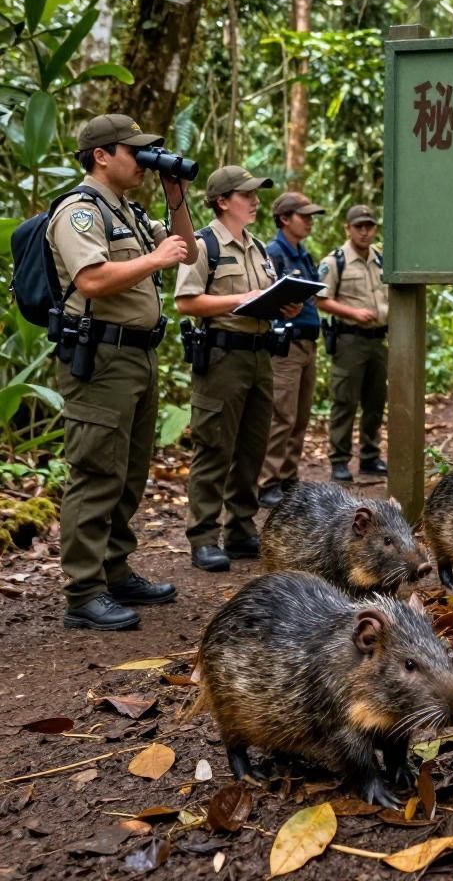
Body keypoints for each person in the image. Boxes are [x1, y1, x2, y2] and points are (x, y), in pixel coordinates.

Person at [48, 113, 197, 630]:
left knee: (130, 471)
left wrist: (176, 195)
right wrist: (155, 259)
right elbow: (91, 280)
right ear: (102, 155)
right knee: (96, 472)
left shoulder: (129, 212)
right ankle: (84, 593)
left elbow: (188, 252)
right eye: (134, 151)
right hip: (103, 357)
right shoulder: (80, 212)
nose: (142, 161)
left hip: (139, 354)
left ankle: (114, 569)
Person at [174, 166, 302, 572]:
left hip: (260, 355)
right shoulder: (203, 244)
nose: (255, 200)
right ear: (223, 200)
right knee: (214, 448)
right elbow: (186, 301)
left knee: (252, 447)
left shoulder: (258, 247)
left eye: (256, 194)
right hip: (221, 356)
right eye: (247, 194)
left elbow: (263, 295)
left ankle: (241, 528)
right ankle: (204, 537)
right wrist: (240, 299)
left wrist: (286, 304)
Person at [257, 192, 326, 509]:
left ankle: (288, 477)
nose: (310, 221)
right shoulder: (274, 253)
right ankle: (268, 481)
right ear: (285, 219)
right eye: (304, 216)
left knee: (299, 416)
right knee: (281, 415)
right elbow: (265, 299)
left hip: (308, 342)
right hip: (286, 344)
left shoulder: (303, 254)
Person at [316, 204, 388, 483]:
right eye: (359, 226)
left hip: (378, 340)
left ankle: (370, 456)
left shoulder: (381, 259)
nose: (365, 232)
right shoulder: (335, 262)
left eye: (369, 226)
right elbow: (321, 299)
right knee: (345, 401)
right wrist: (353, 312)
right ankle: (339, 460)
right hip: (349, 340)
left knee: (375, 401)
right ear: (348, 228)